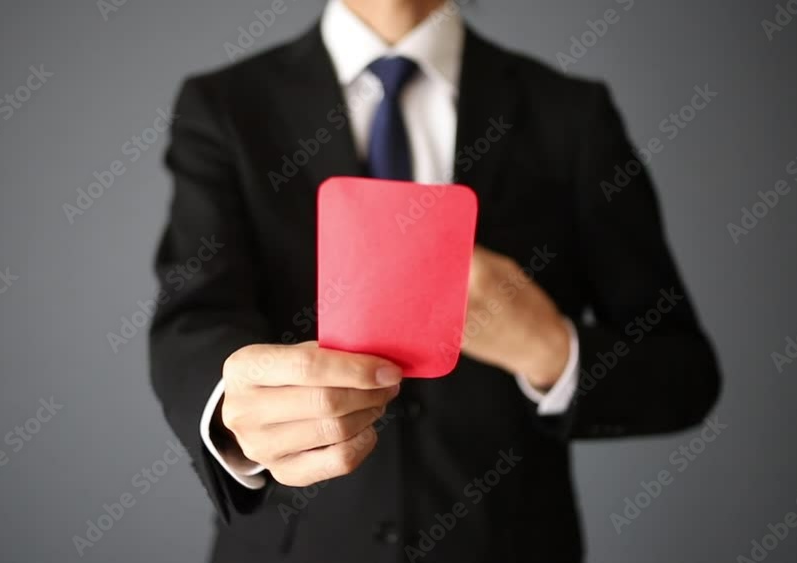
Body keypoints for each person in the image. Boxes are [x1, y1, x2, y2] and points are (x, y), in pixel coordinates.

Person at [149, 0, 721, 561]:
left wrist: (551, 350)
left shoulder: (570, 112)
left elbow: (685, 373)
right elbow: (193, 317)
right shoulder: (226, 104)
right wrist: (231, 411)